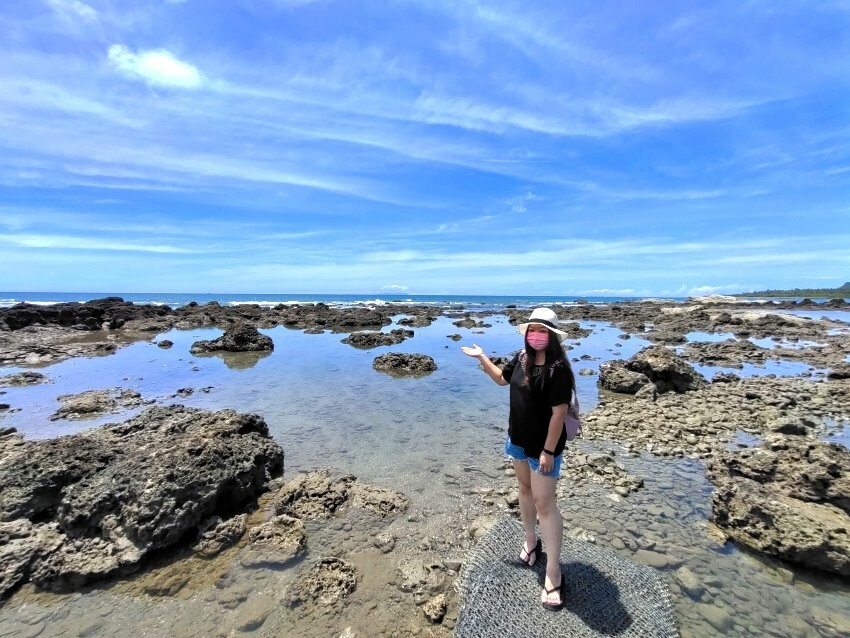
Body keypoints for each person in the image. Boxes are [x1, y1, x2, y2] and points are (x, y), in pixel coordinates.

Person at [461, 307, 575, 611]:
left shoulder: (558, 368)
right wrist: (482, 357)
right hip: (517, 441)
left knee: (545, 505)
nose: (535, 335)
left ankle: (554, 571)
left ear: (550, 336)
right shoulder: (522, 358)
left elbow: (559, 413)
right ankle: (530, 541)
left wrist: (549, 452)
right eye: (531, 330)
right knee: (524, 491)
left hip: (544, 450)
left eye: (541, 331)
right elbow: (501, 379)